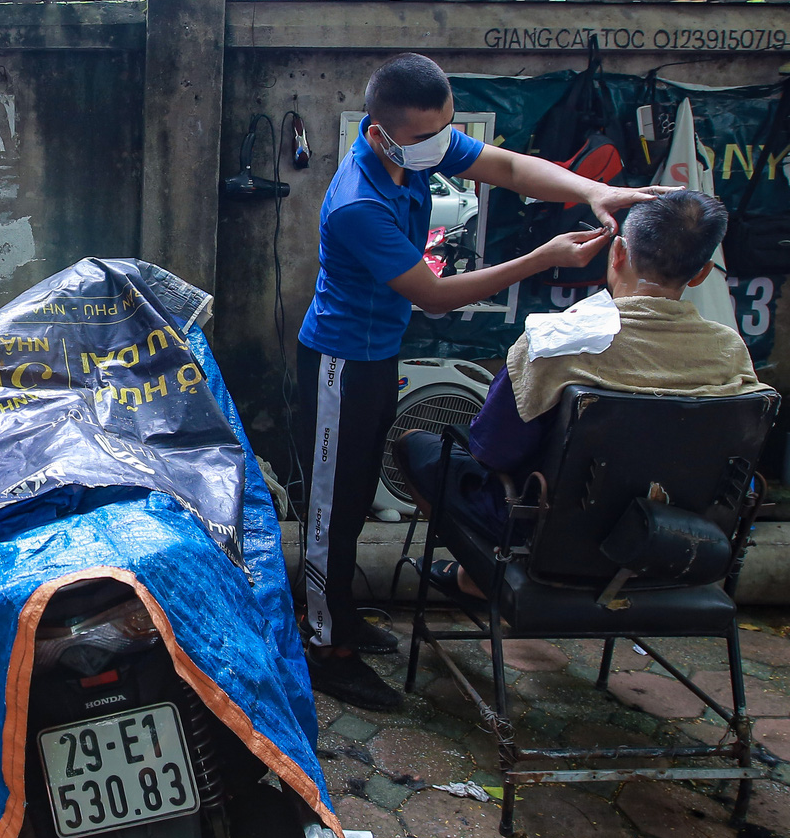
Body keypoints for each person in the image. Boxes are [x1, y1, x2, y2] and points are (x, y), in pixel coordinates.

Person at [299, 53, 670, 711]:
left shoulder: (414, 148)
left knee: (355, 495)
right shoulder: (359, 201)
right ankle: (326, 648)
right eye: (428, 136)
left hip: (376, 353)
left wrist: (591, 190)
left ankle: (342, 617)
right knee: (334, 510)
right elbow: (434, 295)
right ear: (380, 131)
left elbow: (504, 165)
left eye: (447, 129)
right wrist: (541, 258)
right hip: (340, 364)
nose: (444, 146)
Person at [396, 190, 762, 602]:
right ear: (701, 273)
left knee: (417, 448)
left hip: (550, 538)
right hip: (672, 541)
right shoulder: (730, 353)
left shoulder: (558, 341)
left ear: (617, 253)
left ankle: (481, 577)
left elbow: (491, 452)